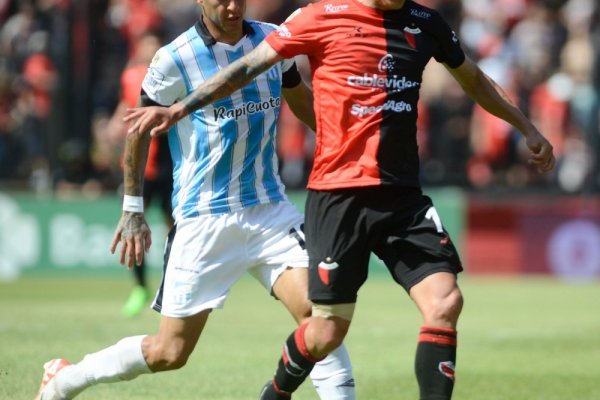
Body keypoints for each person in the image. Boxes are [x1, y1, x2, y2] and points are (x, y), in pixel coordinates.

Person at [121, 0, 557, 399]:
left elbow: (474, 79)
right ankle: (276, 391)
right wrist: (180, 109)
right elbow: (247, 68)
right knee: (325, 331)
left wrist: (527, 127)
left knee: (446, 302)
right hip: (339, 196)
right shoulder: (319, 18)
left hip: (403, 196)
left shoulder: (426, 24)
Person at [33, 1, 356, 399]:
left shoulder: (274, 39)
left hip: (269, 210)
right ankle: (66, 379)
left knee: (319, 318)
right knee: (170, 352)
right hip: (204, 219)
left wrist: (343, 145)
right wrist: (132, 208)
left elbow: (300, 99)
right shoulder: (174, 58)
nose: (233, 7)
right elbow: (139, 131)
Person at [106, 31, 175, 318]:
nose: (150, 48)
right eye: (146, 43)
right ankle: (139, 287)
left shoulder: (174, 74)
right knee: (134, 225)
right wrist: (113, 125)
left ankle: (173, 284)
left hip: (169, 166)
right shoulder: (131, 76)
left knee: (177, 227)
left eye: (154, 44)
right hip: (140, 169)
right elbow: (127, 105)